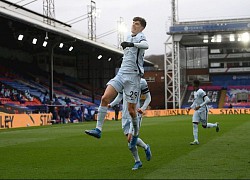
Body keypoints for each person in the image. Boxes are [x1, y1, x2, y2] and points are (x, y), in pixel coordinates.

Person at [85, 17, 148, 149]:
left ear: (141, 27)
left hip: (133, 77)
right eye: (133, 23)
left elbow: (146, 45)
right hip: (121, 74)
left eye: (137, 24)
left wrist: (132, 45)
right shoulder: (127, 35)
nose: (134, 25)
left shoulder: (141, 36)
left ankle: (135, 133)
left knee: (131, 110)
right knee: (104, 98)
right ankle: (98, 130)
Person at [108, 78, 152, 170]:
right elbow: (120, 96)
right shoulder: (123, 80)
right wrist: (111, 104)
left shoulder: (141, 81)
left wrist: (143, 108)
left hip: (135, 114)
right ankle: (145, 147)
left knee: (130, 140)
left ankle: (137, 161)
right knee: (130, 140)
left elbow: (148, 97)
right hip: (124, 115)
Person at [188, 80, 220, 145]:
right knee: (194, 124)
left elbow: (208, 100)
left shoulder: (201, 91)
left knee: (204, 126)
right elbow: (195, 101)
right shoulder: (195, 92)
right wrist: (190, 107)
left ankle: (215, 125)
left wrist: (199, 106)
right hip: (197, 110)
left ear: (195, 84)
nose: (192, 85)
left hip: (203, 110)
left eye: (193, 84)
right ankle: (196, 140)